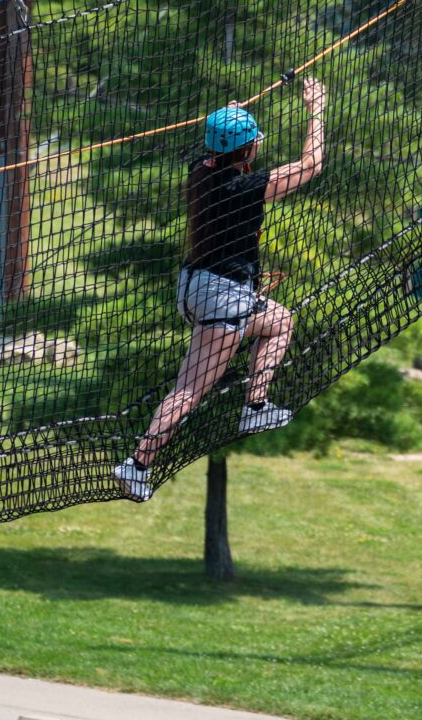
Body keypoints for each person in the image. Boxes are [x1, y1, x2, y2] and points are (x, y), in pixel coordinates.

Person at [115, 78, 326, 501]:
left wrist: (230, 115)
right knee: (190, 389)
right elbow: (309, 167)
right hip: (221, 294)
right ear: (247, 150)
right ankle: (137, 464)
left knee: (280, 321)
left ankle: (257, 405)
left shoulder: (201, 171)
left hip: (197, 286)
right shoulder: (242, 188)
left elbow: (221, 150)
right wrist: (316, 109)